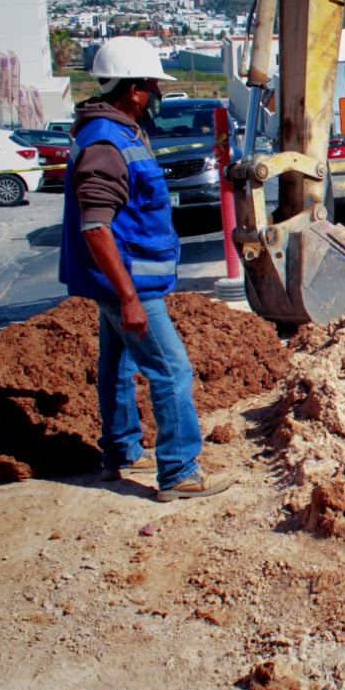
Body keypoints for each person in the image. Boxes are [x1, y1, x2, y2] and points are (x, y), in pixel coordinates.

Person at [59, 36, 233, 502]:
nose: (155, 95)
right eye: (152, 87)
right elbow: (96, 227)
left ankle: (121, 453)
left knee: (116, 366)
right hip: (128, 284)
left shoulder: (114, 132)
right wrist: (130, 297)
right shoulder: (105, 143)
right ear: (133, 89)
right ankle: (178, 472)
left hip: (123, 280)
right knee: (171, 370)